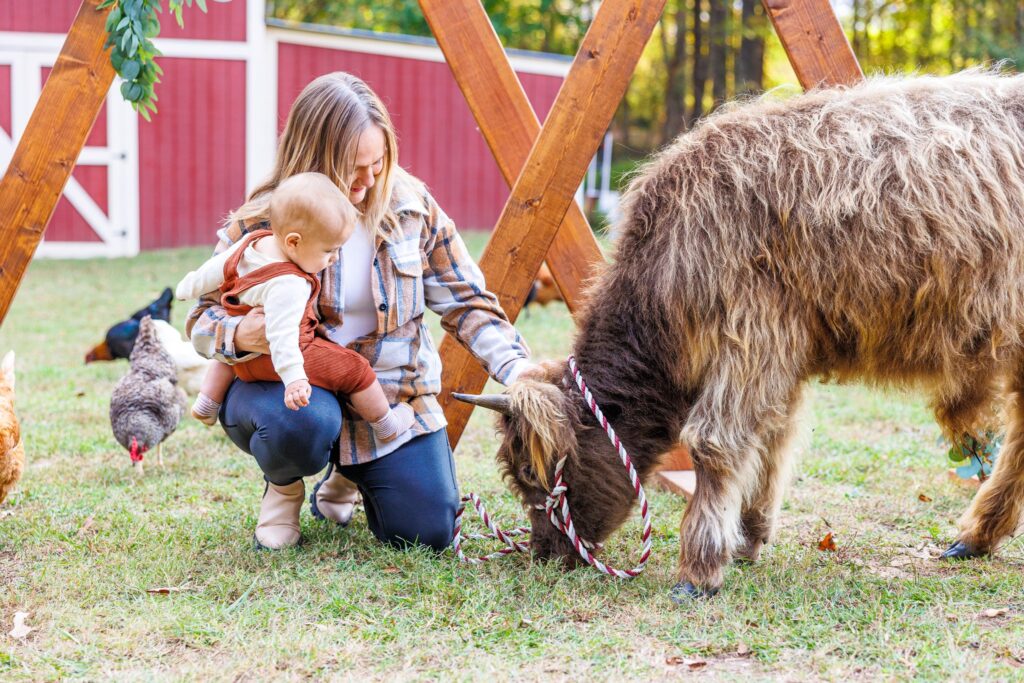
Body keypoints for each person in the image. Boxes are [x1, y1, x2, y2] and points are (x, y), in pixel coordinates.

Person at [186, 72, 540, 553]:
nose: (370, 179)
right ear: (314, 158)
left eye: (379, 163)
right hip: (292, 393)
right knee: (303, 424)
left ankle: (349, 476)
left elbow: (467, 301)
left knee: (427, 534)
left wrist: (517, 369)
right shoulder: (266, 218)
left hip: (388, 400)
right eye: (354, 167)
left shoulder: (414, 208)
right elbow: (201, 321)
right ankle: (284, 485)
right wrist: (242, 334)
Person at [176, 173, 413, 453]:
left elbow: (214, 270)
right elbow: (283, 338)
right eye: (329, 250)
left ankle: (207, 402)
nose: (335, 258)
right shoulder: (289, 284)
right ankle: (386, 424)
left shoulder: (251, 243)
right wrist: (294, 379)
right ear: (294, 242)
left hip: (238, 363)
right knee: (356, 370)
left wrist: (187, 286)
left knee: (226, 356)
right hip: (277, 359)